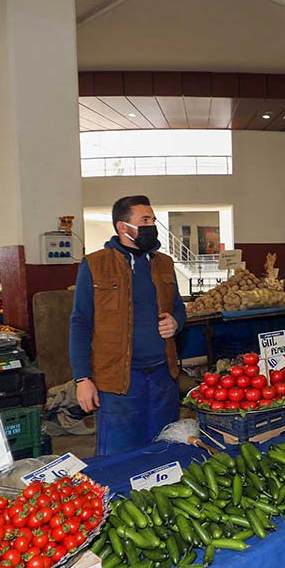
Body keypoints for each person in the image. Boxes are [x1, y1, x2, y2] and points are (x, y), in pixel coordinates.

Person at [70, 195, 188, 455]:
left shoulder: (164, 264)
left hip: (162, 378)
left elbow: (178, 307)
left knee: (163, 450)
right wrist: (82, 378)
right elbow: (80, 323)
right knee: (119, 456)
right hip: (118, 383)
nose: (152, 225)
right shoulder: (95, 264)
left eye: (152, 220)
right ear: (123, 227)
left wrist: (176, 321)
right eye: (144, 220)